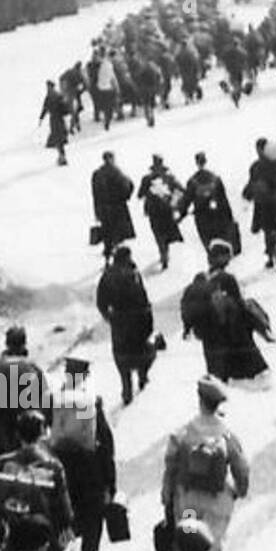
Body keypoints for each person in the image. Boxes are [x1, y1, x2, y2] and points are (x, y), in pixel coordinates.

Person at [160, 376, 251, 551]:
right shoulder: (227, 435)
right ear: (218, 404)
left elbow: (171, 466)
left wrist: (167, 496)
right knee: (212, 543)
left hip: (188, 501)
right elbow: (241, 469)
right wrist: (239, 491)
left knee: (188, 539)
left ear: (200, 400)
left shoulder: (183, 433)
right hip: (216, 502)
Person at [50, 355, 117, 551]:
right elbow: (106, 446)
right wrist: (110, 483)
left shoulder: (55, 400)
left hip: (60, 468)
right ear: (86, 376)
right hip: (89, 471)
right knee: (91, 521)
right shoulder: (91, 401)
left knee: (67, 519)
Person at [0, 410, 75, 551]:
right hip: (45, 546)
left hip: (15, 543)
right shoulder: (52, 466)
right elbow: (64, 512)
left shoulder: (3, 463)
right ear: (42, 434)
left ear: (18, 435)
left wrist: (2, 538)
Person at [180, 240, 273, 383]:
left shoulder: (199, 279)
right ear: (222, 257)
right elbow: (240, 305)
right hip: (230, 332)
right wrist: (259, 325)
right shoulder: (227, 279)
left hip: (209, 335)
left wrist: (187, 328)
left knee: (218, 370)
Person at [0, 325, 52, 457]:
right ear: (24, 344)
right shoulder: (33, 368)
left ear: (6, 343)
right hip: (29, 440)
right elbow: (47, 408)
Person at [96, 244, 155, 406]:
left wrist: (109, 317)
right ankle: (140, 376)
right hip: (137, 320)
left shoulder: (108, 276)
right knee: (143, 350)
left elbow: (101, 302)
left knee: (122, 355)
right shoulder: (133, 274)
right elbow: (143, 297)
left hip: (121, 321)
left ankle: (127, 386)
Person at [243, 138, 276, 269]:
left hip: (262, 203)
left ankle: (270, 256)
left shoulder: (255, 167)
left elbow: (251, 184)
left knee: (267, 229)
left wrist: (247, 195)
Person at [181, 152, 239, 256]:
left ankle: (212, 259)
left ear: (196, 162)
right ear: (205, 160)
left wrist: (181, 213)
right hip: (218, 215)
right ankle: (223, 260)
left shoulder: (192, 181)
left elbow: (186, 200)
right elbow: (224, 199)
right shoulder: (215, 178)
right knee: (220, 238)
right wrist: (230, 217)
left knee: (207, 241)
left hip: (202, 217)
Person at [137, 153, 185, 271]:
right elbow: (182, 190)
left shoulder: (147, 179)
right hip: (167, 210)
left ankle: (163, 253)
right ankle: (165, 252)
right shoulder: (170, 178)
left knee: (158, 233)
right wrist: (174, 203)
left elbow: (139, 195)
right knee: (167, 231)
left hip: (154, 211)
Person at [90, 150, 136, 262]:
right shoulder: (117, 172)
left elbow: (95, 194)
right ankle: (118, 256)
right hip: (118, 208)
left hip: (104, 209)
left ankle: (107, 255)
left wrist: (96, 210)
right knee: (118, 233)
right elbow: (129, 186)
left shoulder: (97, 174)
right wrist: (126, 197)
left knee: (106, 233)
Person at [39, 79, 69, 166]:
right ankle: (61, 156)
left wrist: (41, 118)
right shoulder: (57, 95)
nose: (47, 89)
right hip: (57, 119)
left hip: (56, 119)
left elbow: (45, 108)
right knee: (59, 138)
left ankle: (62, 157)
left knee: (58, 138)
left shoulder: (52, 96)